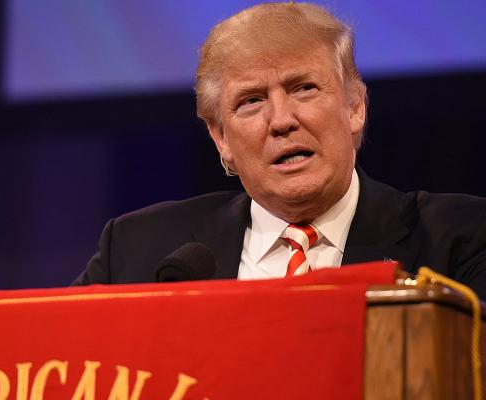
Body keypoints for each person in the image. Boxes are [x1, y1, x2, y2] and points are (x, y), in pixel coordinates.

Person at [72, 2, 486, 298]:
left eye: (303, 88)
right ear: (221, 138)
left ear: (355, 107)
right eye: (251, 101)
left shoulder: (461, 238)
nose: (281, 120)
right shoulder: (138, 249)